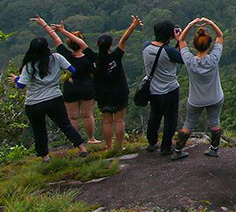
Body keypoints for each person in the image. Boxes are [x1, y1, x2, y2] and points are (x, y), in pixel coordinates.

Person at [10, 16, 89, 160]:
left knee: (39, 130)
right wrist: (62, 77)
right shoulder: (57, 58)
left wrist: (16, 78)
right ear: (47, 47)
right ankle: (82, 148)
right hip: (54, 97)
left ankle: (45, 157)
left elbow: (21, 85)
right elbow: (72, 69)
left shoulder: (29, 65)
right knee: (65, 125)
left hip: (34, 103)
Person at [171, 17, 225, 159]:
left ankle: (177, 151)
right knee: (215, 122)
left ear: (194, 46)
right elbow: (220, 36)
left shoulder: (189, 61)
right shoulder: (214, 59)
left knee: (189, 124)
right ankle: (214, 149)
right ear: (209, 45)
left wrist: (190, 25)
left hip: (196, 100)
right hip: (215, 97)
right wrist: (210, 23)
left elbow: (181, 41)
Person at [94, 15, 143, 151]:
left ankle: (109, 146)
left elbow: (81, 44)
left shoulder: (95, 59)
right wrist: (133, 25)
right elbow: (124, 39)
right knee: (119, 120)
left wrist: (62, 31)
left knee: (107, 121)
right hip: (119, 92)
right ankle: (119, 146)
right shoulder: (116, 56)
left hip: (103, 94)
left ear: (97, 45)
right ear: (111, 45)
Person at [52, 24, 101, 144]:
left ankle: (75, 141)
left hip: (70, 88)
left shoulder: (66, 56)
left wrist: (46, 26)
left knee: (72, 117)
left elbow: (57, 40)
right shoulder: (89, 57)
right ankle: (91, 138)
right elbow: (93, 74)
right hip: (87, 87)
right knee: (88, 115)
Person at [144, 20, 185, 156]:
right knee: (170, 119)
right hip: (170, 90)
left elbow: (167, 52)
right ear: (170, 35)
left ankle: (152, 143)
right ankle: (166, 147)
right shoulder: (168, 51)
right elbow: (183, 58)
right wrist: (180, 40)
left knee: (154, 116)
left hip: (153, 90)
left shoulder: (146, 47)